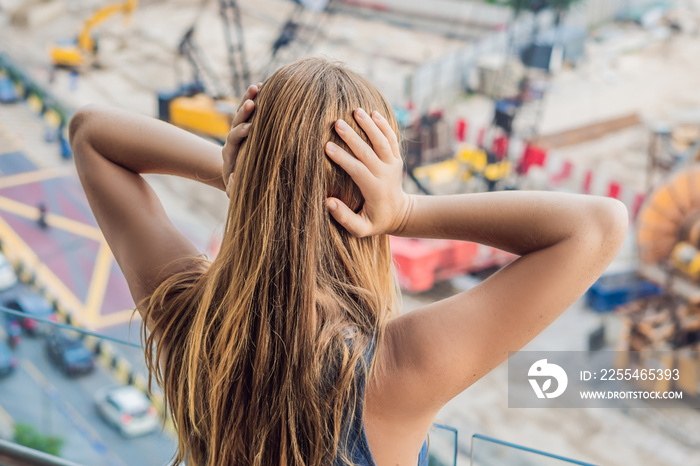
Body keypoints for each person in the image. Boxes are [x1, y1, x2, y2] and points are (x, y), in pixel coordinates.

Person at [68, 57, 628, 466]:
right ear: (368, 195)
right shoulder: (394, 371)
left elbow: (91, 132)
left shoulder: (188, 315)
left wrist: (252, 179)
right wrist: (405, 212)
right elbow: (597, 226)